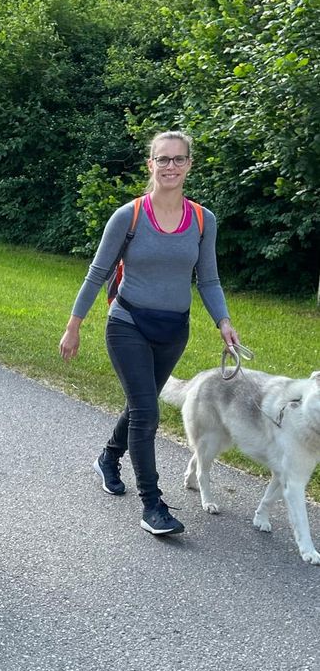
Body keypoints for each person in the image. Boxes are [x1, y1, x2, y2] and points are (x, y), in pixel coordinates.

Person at [59, 130, 240, 537]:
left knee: (139, 406)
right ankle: (152, 505)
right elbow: (97, 274)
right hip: (128, 323)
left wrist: (224, 321)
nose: (170, 166)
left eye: (178, 159)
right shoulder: (130, 216)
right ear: (150, 164)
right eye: (163, 159)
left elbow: (208, 279)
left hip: (174, 330)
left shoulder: (203, 220)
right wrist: (74, 326)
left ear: (189, 164)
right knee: (147, 412)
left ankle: (108, 458)